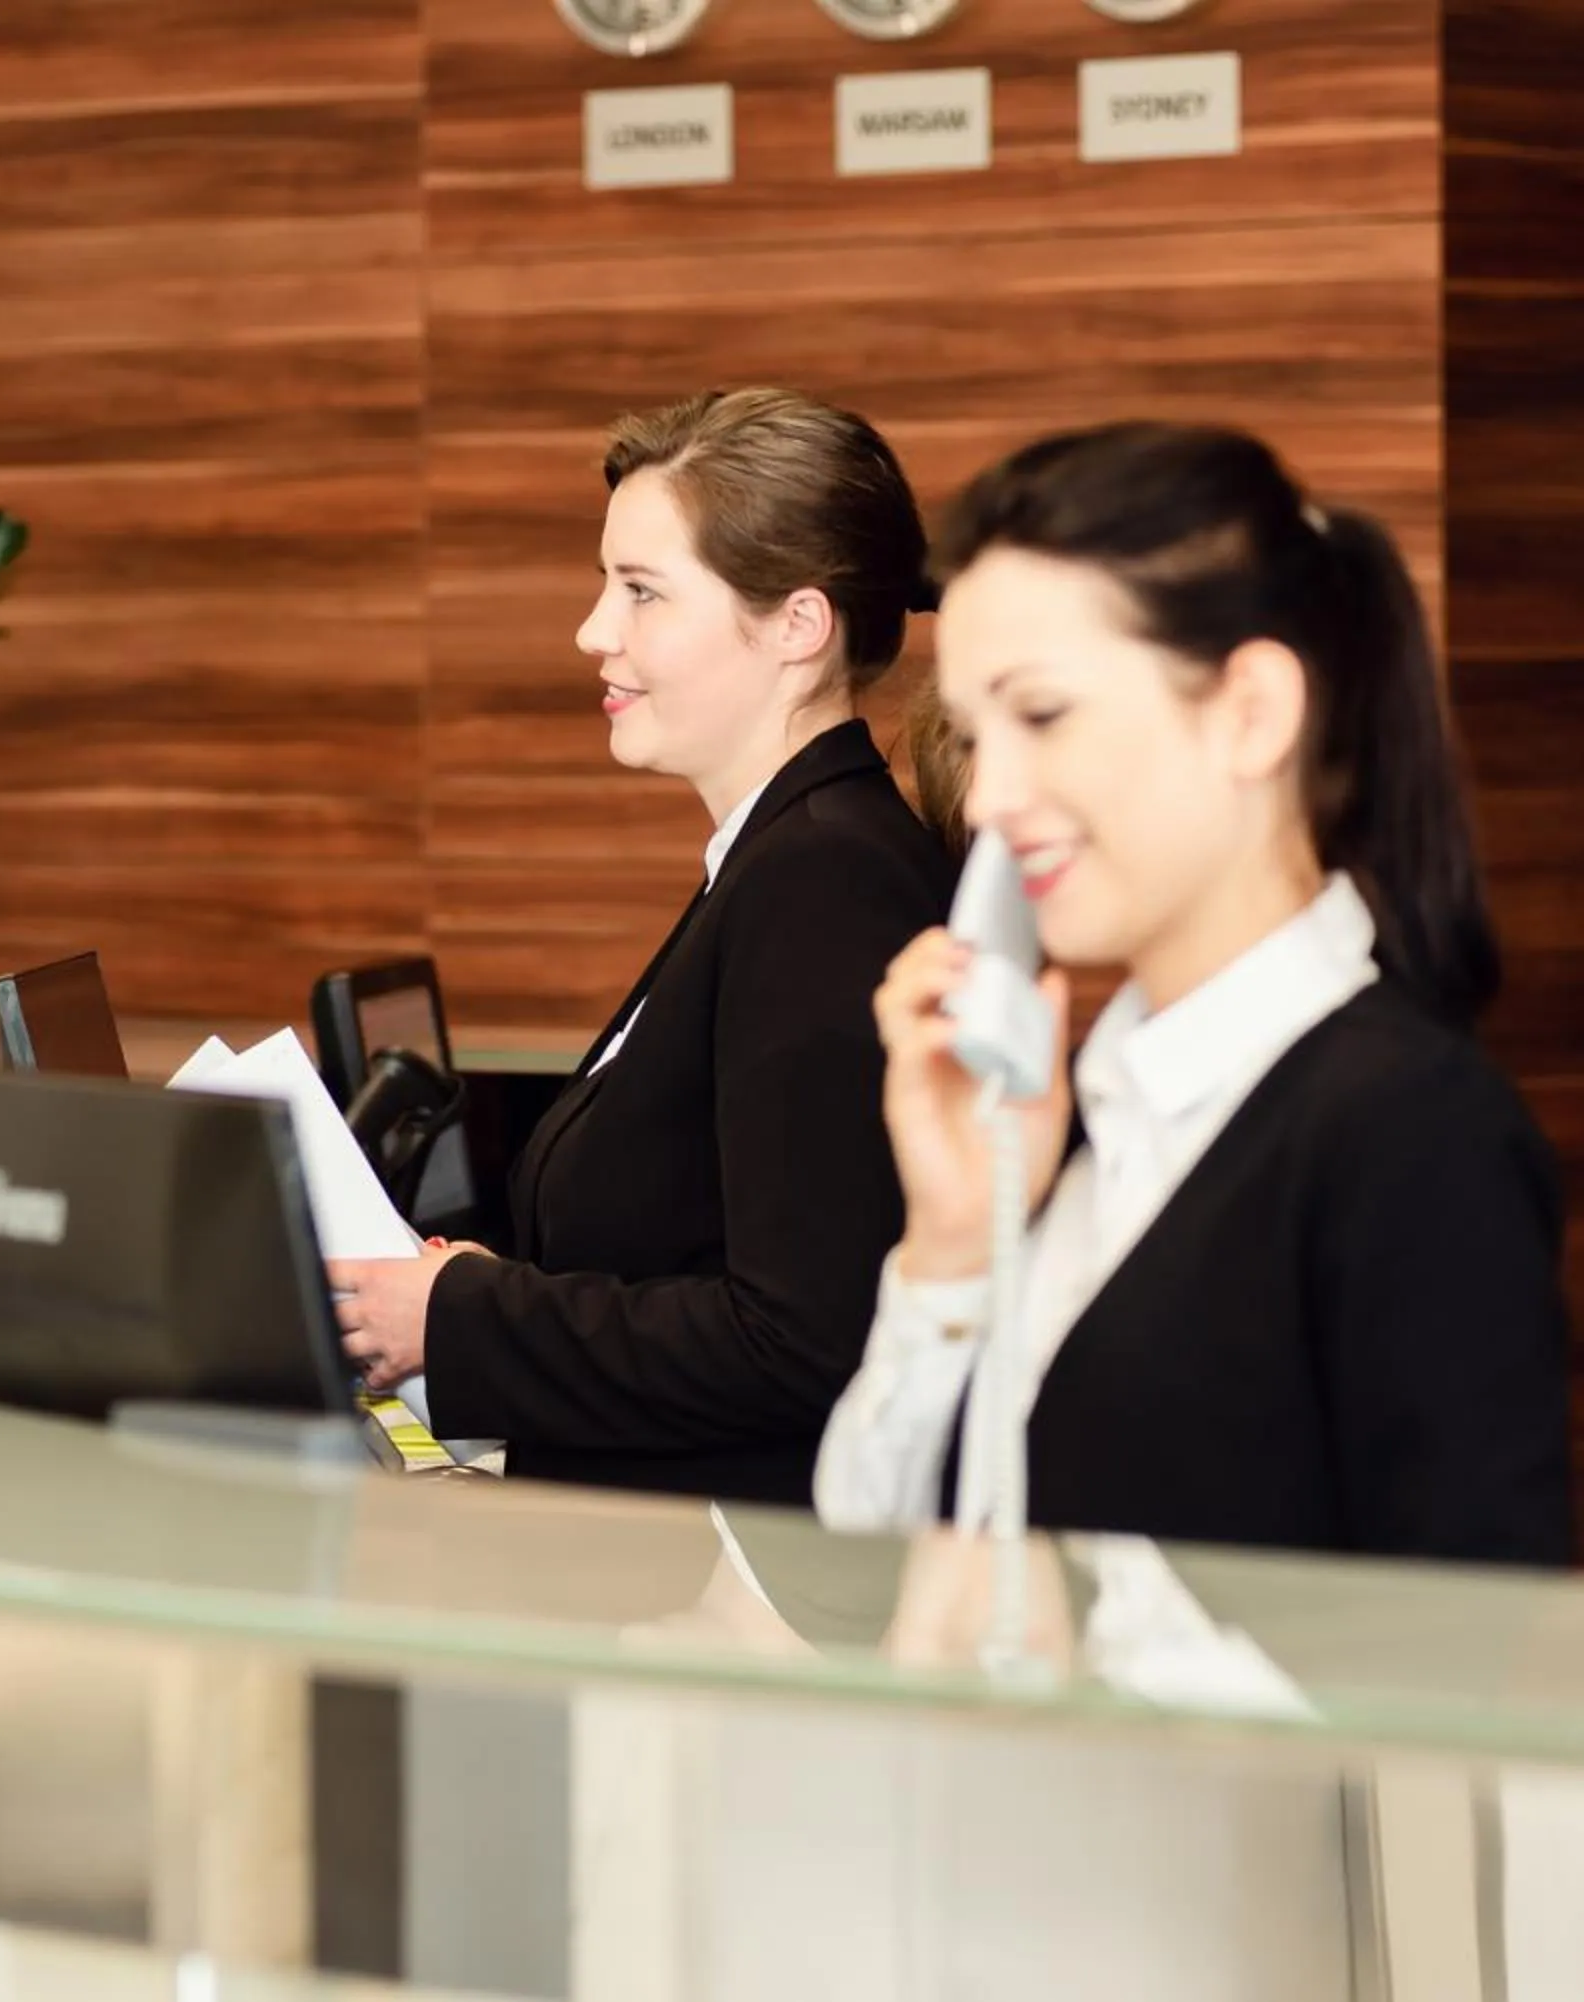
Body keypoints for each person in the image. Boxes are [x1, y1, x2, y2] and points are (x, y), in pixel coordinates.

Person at [815, 420, 1574, 1566]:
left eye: (1044, 715)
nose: (990, 797)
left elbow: (1468, 1669)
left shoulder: (1410, 1131)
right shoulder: (1100, 1109)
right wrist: (952, 1249)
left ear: (1251, 711)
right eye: (976, 733)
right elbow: (864, 1563)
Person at [332, 387, 960, 1505]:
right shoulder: (777, 857)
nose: (594, 632)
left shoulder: (825, 879)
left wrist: (463, 1316)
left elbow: (803, 1338)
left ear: (797, 628)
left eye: (642, 593)